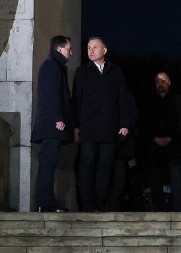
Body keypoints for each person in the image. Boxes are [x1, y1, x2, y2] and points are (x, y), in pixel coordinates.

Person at [73, 37, 132, 211]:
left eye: (95, 47)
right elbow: (76, 100)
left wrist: (124, 123)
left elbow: (122, 98)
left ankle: (101, 203)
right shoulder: (81, 72)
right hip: (88, 128)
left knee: (105, 166)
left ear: (104, 50)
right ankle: (88, 205)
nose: (91, 50)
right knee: (88, 164)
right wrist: (76, 126)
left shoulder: (116, 71)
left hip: (109, 127)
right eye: (89, 47)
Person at [30, 35, 74, 212]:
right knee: (48, 163)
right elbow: (51, 95)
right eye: (69, 49)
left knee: (50, 162)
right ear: (60, 49)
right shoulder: (51, 66)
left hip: (52, 124)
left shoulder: (55, 66)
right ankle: (45, 203)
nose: (71, 52)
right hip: (51, 124)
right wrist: (58, 118)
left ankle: (47, 202)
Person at [141, 72, 181, 211]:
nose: (160, 84)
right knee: (155, 180)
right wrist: (154, 138)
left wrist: (170, 137)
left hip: (173, 146)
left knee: (176, 179)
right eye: (157, 81)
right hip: (155, 148)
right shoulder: (149, 101)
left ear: (169, 83)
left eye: (163, 81)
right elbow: (144, 123)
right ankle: (158, 210)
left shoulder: (177, 99)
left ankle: (179, 210)